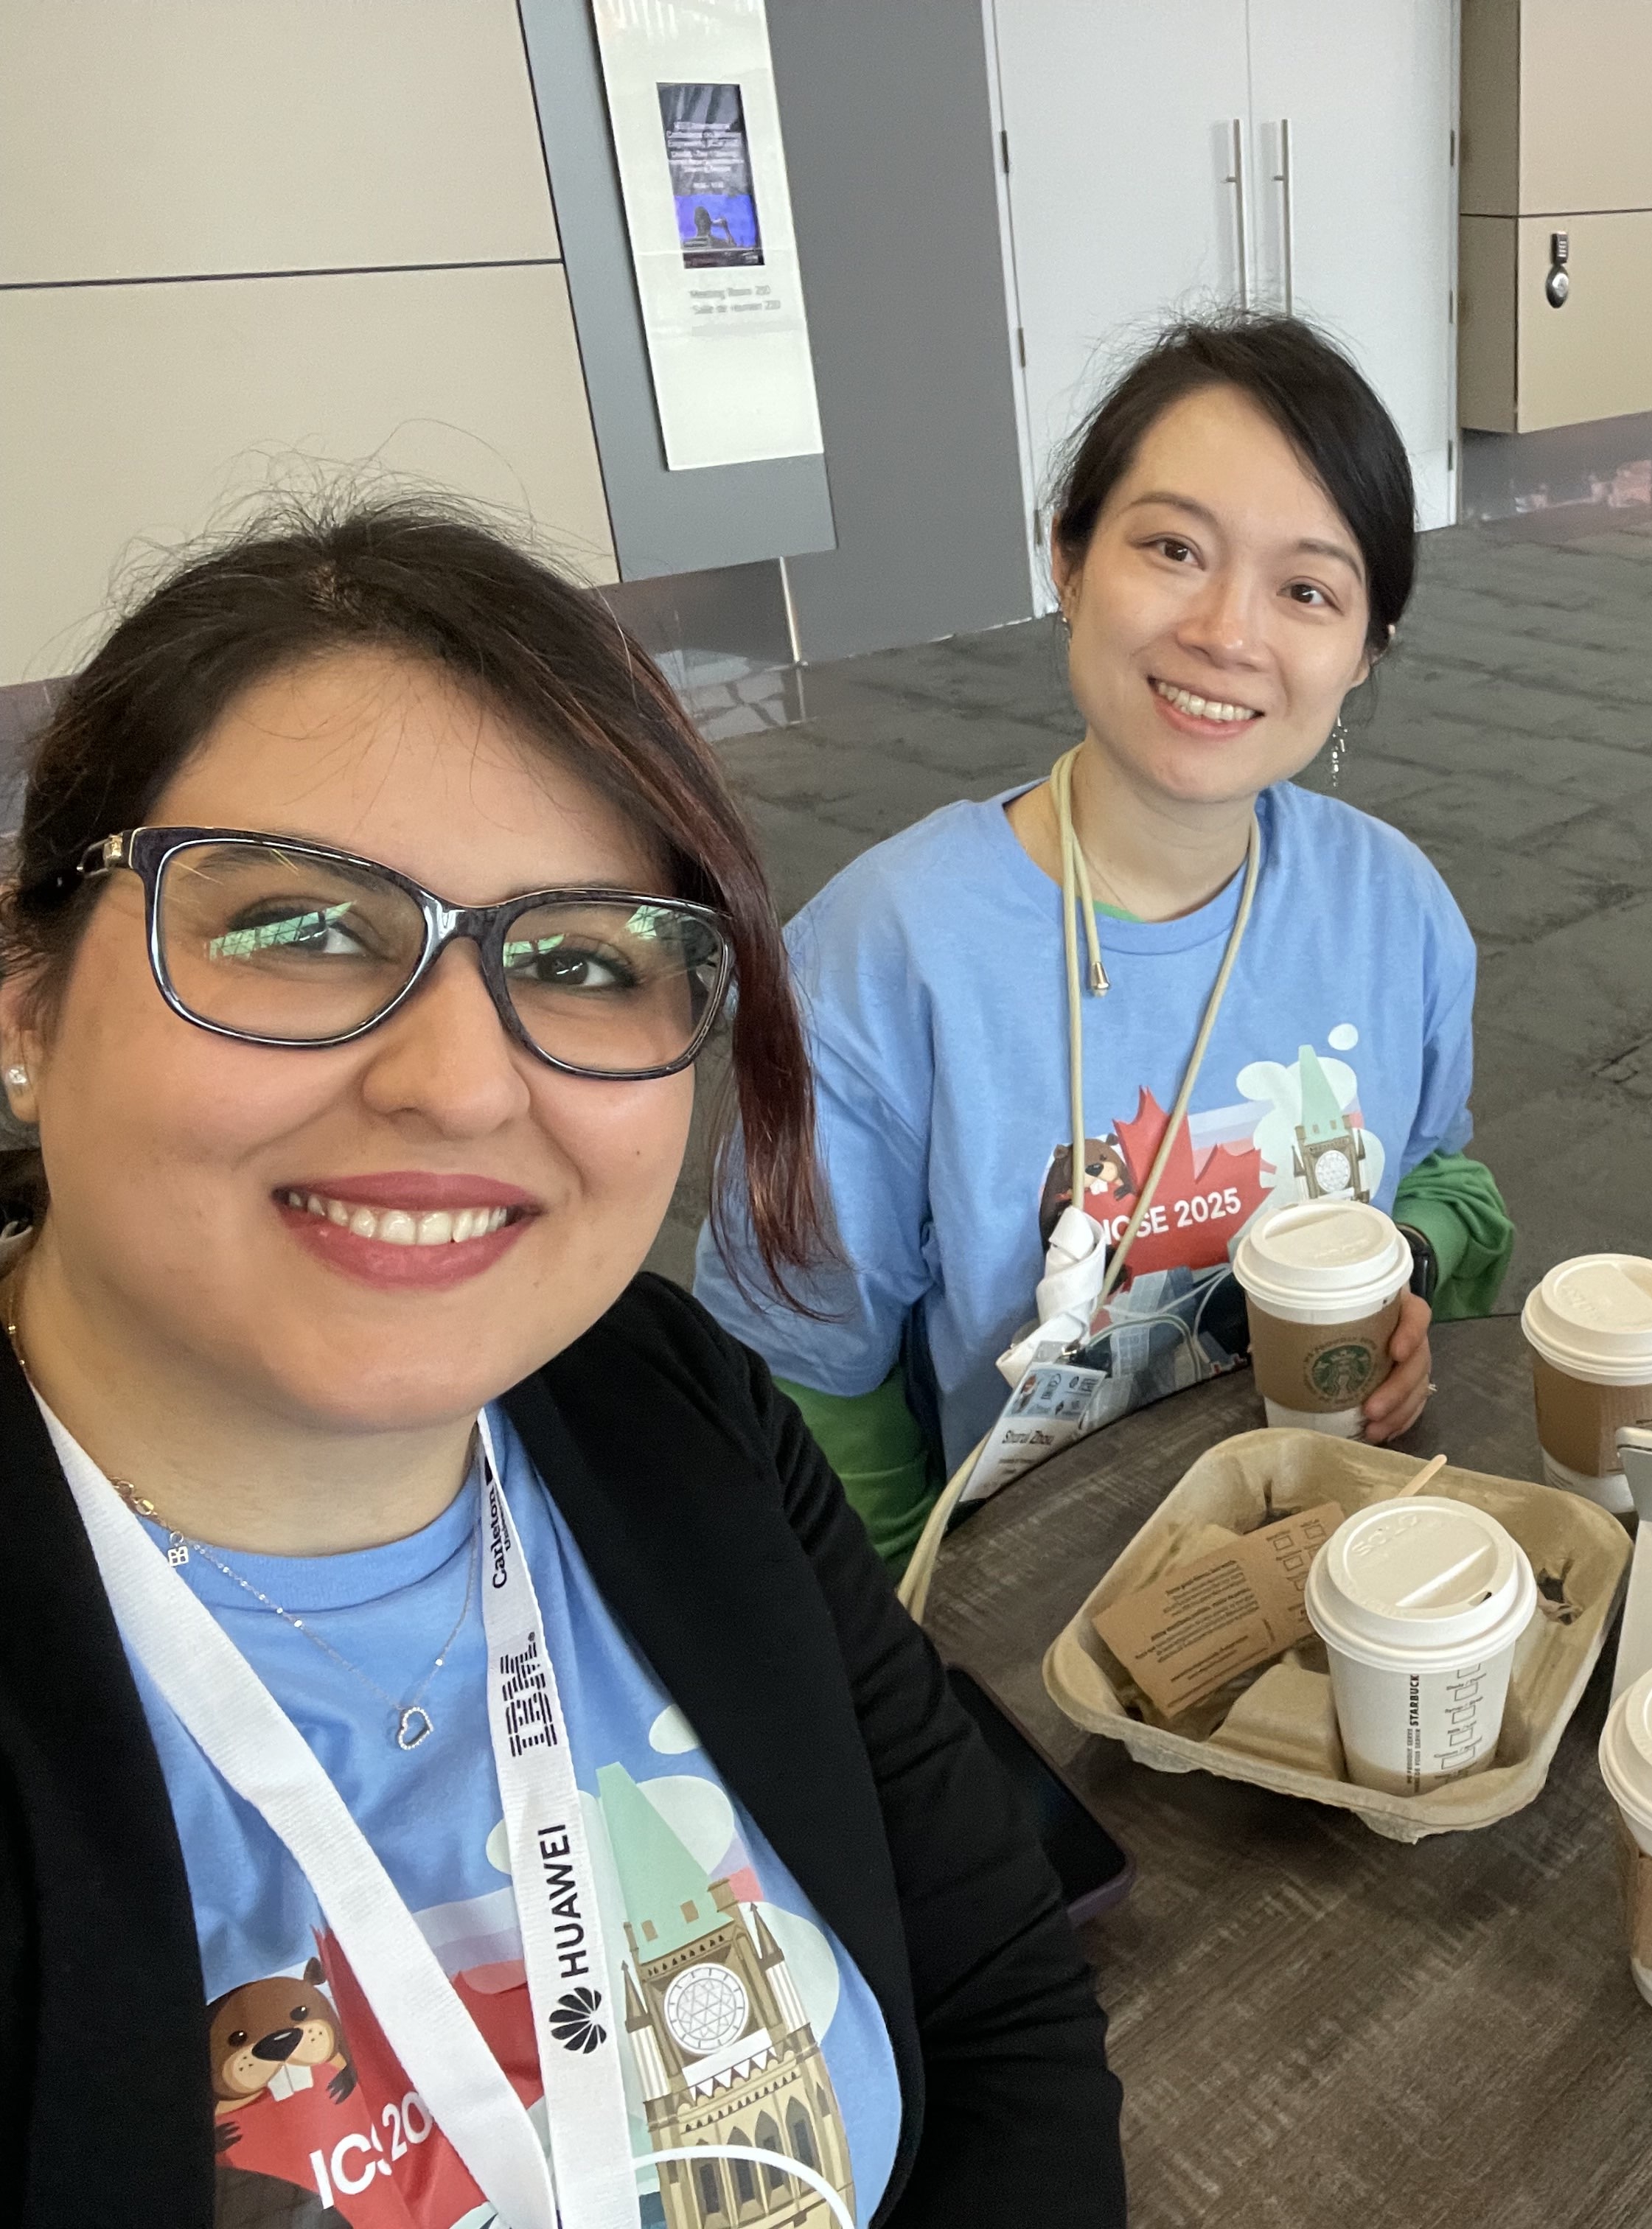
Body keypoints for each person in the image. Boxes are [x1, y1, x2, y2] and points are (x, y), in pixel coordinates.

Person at [0, 503, 1125, 2225]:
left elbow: (994, 2006)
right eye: (301, 930)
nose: (458, 1084)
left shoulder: (659, 1401)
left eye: (584, 960)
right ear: (27, 1003)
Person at [697, 314, 1510, 1570]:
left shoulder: (1392, 909)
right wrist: (930, 1663)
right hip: (1019, 1632)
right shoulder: (887, 950)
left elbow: (1444, 1181)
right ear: (1069, 559)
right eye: (1175, 548)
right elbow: (808, 1385)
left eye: (1306, 590)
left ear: (1366, 649)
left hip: (1340, 1564)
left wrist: (1402, 1266)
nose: (1229, 633)